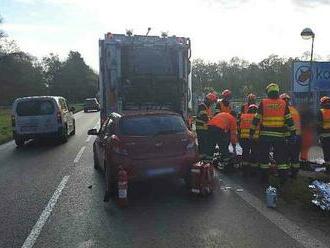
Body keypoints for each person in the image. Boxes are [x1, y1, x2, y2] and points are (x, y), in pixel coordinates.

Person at [250, 83, 295, 184]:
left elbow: (256, 119)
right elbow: (289, 120)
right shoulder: (283, 104)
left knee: (264, 159)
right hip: (280, 137)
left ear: (268, 92)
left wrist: (251, 133)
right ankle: (283, 180)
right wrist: (293, 133)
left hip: (265, 136)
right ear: (277, 92)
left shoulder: (264, 102)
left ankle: (264, 180)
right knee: (281, 159)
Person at [280, 93, 301, 178]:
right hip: (298, 136)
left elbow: (283, 124)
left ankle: (285, 175)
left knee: (285, 156)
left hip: (288, 136)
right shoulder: (294, 110)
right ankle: (294, 174)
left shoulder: (283, 110)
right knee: (295, 156)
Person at [238, 104, 259, 176]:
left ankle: (244, 170)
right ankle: (254, 171)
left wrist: (239, 137)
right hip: (255, 138)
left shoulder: (243, 116)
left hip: (244, 138)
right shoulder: (258, 117)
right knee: (254, 154)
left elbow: (239, 127)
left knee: (245, 153)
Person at [196, 92, 217, 158]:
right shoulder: (202, 106)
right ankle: (202, 157)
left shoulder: (207, 107)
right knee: (203, 143)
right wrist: (212, 122)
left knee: (205, 143)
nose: (212, 103)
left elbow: (208, 117)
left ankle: (204, 157)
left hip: (205, 128)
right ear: (208, 100)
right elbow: (204, 117)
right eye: (212, 102)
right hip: (201, 128)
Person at [318, 96, 330, 171]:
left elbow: (318, 125)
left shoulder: (321, 112)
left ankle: (328, 170)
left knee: (327, 153)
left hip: (324, 136)